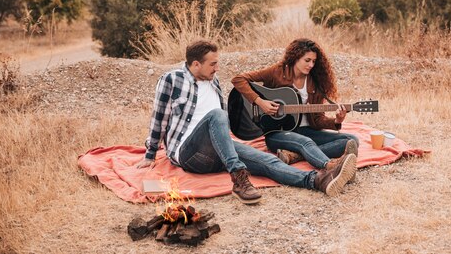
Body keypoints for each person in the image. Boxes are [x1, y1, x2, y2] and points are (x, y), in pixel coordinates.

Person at [136, 39, 356, 205]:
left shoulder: (213, 84)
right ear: (195, 64)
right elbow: (159, 119)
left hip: (220, 150)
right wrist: (150, 154)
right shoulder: (172, 80)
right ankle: (239, 178)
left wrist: (335, 121)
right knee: (217, 114)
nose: (217, 68)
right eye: (212, 64)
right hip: (189, 153)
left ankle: (319, 180)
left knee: (269, 162)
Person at [231, 38, 360, 172]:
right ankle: (329, 166)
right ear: (295, 57)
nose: (311, 65)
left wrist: (337, 120)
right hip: (277, 133)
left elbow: (317, 120)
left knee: (351, 140)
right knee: (305, 142)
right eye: (307, 60)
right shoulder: (277, 72)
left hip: (307, 130)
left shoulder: (315, 83)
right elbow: (238, 79)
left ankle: (295, 156)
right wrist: (260, 102)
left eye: (314, 61)